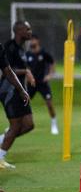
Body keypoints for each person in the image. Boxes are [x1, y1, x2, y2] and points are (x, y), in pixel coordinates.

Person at [0, 21, 35, 169]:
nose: (30, 31)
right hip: (9, 91)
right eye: (27, 29)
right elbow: (8, 69)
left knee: (28, 124)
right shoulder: (9, 47)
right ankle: (0, 156)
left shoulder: (21, 49)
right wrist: (26, 71)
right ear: (19, 31)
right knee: (15, 126)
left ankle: (2, 140)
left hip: (19, 91)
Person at [26, 35, 59, 135]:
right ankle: (19, 124)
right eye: (30, 40)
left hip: (43, 84)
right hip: (31, 84)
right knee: (24, 103)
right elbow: (25, 67)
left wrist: (50, 75)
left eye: (33, 39)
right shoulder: (27, 54)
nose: (32, 41)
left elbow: (52, 62)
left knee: (49, 104)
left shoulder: (43, 53)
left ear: (38, 41)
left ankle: (54, 124)